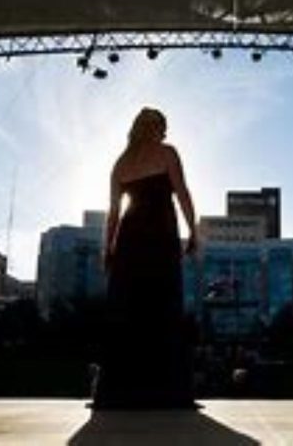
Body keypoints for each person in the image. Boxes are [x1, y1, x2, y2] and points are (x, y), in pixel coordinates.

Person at [92, 107, 198, 410]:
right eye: (162, 126)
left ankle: (120, 391)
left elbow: (113, 214)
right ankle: (167, 390)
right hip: (160, 232)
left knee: (128, 308)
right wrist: (193, 230)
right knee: (163, 304)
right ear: (153, 128)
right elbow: (182, 193)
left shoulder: (120, 163)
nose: (165, 132)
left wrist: (108, 249)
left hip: (129, 238)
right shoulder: (167, 153)